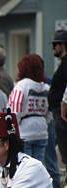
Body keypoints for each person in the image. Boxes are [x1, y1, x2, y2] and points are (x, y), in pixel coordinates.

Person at [8, 54, 49, 162]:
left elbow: (15, 111)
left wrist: (11, 130)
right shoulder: (45, 87)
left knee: (24, 165)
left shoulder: (21, 85)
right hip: (42, 130)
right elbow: (49, 112)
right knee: (39, 164)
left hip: (24, 132)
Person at [48, 30, 67, 169]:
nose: (53, 48)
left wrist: (63, 104)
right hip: (58, 112)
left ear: (63, 45)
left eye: (55, 44)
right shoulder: (63, 64)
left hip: (63, 113)